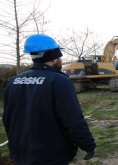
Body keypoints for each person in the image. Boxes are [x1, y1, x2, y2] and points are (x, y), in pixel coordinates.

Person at [2, 34, 96, 164]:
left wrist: (15, 144)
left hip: (20, 153)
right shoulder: (59, 81)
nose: (61, 58)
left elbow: (7, 119)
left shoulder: (12, 82)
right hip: (51, 154)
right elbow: (73, 119)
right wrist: (88, 145)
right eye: (59, 55)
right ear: (52, 58)